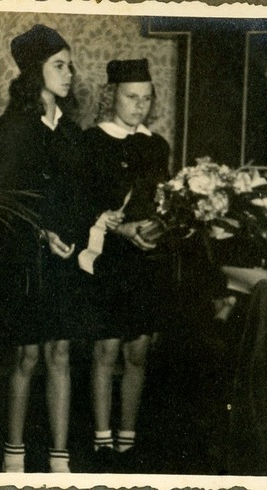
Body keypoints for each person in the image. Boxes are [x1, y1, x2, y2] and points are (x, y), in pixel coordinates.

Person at [0, 24, 89, 473]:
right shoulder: (8, 129)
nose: (69, 74)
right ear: (35, 72)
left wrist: (73, 237)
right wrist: (43, 234)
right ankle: (14, 455)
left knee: (60, 353)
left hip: (63, 257)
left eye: (70, 66)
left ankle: (60, 460)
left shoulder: (72, 133)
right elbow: (4, 202)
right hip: (26, 259)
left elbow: (82, 197)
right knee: (26, 356)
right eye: (59, 66)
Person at [80, 58, 172, 472]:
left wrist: (156, 227)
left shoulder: (157, 145)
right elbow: (84, 202)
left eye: (146, 98)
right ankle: (101, 439)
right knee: (106, 349)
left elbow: (163, 201)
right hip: (110, 255)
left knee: (138, 351)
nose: (139, 106)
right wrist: (123, 229)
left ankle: (127, 441)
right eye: (131, 97)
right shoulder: (93, 141)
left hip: (146, 258)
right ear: (111, 97)